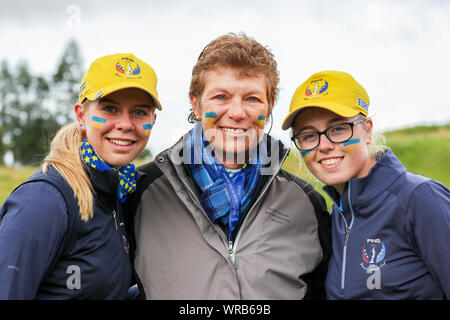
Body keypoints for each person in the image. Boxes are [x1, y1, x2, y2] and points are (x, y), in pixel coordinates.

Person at [129, 33, 331, 300]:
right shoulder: (140, 192)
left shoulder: (306, 203)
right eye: (221, 97)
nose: (237, 113)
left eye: (252, 99)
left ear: (269, 108)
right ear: (196, 103)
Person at [0, 53, 161, 299]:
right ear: (81, 116)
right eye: (109, 108)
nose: (126, 124)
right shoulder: (44, 200)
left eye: (139, 112)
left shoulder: (118, 191)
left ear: (153, 120)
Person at [282, 70, 450, 299]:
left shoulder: (420, 198)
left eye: (338, 129)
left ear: (368, 130)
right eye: (309, 135)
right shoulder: (336, 218)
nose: (324, 145)